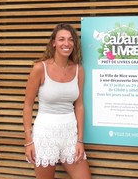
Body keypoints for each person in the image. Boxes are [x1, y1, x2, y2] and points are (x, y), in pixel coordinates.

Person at [23, 23, 91, 179]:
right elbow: (27, 106)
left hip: (70, 133)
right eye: (61, 39)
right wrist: (28, 141)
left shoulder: (78, 70)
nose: (66, 44)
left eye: (70, 39)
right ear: (53, 43)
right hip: (45, 133)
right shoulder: (40, 68)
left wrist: (80, 140)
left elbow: (79, 106)